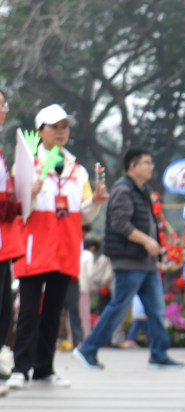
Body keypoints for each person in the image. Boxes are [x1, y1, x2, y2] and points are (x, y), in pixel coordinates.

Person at [9, 104, 108, 389]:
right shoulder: (26, 164)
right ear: (40, 131)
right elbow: (18, 208)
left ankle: (44, 368)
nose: (61, 132)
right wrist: (30, 191)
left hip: (65, 249)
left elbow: (84, 214)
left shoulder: (78, 170)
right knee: (28, 311)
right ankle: (20, 367)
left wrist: (97, 202)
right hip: (33, 247)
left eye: (65, 126)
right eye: (55, 126)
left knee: (54, 312)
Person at [74, 148, 182, 371]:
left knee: (156, 308)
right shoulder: (123, 190)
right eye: (146, 163)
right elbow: (120, 224)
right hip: (129, 261)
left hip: (146, 262)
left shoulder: (141, 190)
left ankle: (159, 353)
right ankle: (88, 349)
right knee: (119, 307)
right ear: (132, 166)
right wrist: (146, 242)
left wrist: (156, 248)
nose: (151, 167)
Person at [0, 89, 26, 391]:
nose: (2, 111)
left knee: (5, 306)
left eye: (3, 106)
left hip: (5, 243)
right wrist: (20, 205)